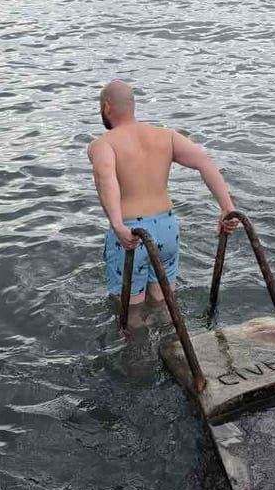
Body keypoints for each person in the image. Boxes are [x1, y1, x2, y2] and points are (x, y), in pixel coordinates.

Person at [87, 80, 238, 327]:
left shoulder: (103, 144)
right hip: (168, 230)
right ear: (133, 106)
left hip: (132, 233)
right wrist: (227, 208)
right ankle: (174, 352)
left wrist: (117, 224)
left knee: (131, 313)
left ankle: (137, 364)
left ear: (106, 107)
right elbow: (205, 162)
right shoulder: (165, 136)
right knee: (163, 302)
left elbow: (106, 178)